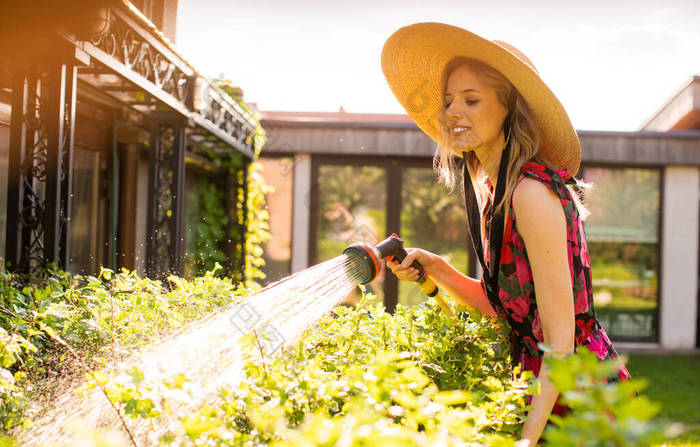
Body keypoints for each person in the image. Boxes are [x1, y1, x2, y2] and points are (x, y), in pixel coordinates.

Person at [380, 22, 631, 445]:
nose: (452, 112)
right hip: (536, 390)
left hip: (576, 400)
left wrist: (524, 441)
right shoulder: (492, 191)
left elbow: (559, 345)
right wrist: (437, 268)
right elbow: (507, 310)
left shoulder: (530, 194)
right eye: (448, 101)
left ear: (508, 109)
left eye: (471, 99)